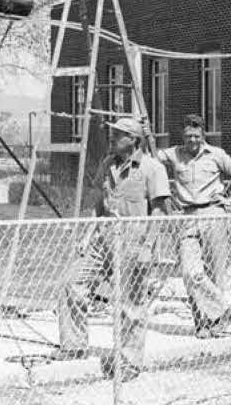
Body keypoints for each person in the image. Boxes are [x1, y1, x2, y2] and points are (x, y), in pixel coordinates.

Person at [56, 114, 172, 374]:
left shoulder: (153, 169)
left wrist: (147, 248)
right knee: (71, 283)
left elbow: (160, 212)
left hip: (133, 242)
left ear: (132, 140)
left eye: (117, 134)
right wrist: (87, 235)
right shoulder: (107, 163)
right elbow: (98, 204)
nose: (111, 137)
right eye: (112, 133)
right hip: (103, 239)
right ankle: (74, 346)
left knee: (130, 305)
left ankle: (129, 362)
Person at [161, 112, 231, 334]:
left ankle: (211, 324)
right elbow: (151, 158)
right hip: (187, 218)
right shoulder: (174, 154)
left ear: (203, 135)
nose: (192, 141)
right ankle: (220, 313)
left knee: (215, 274)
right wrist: (144, 134)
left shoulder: (216, 154)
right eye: (188, 136)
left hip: (213, 215)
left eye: (196, 136)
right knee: (191, 273)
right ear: (182, 135)